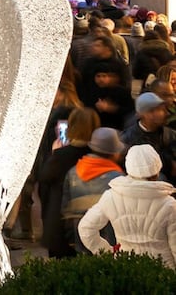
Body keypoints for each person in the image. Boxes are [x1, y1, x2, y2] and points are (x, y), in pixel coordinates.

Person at [78, 144, 176, 267]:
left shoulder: (111, 196)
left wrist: (107, 253)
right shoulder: (169, 204)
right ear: (157, 170)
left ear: (129, 168)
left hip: (126, 267)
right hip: (162, 271)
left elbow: (86, 228)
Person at [37, 106, 100, 258]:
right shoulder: (99, 154)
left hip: (62, 222)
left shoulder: (61, 155)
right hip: (93, 219)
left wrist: (53, 154)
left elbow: (44, 178)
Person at [62, 126, 125, 253]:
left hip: (80, 233)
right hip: (109, 237)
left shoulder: (73, 172)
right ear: (114, 153)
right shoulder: (118, 179)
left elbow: (65, 206)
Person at [121, 91, 176, 183]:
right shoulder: (127, 139)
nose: (164, 113)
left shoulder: (171, 135)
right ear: (143, 114)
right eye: (158, 110)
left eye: (163, 109)